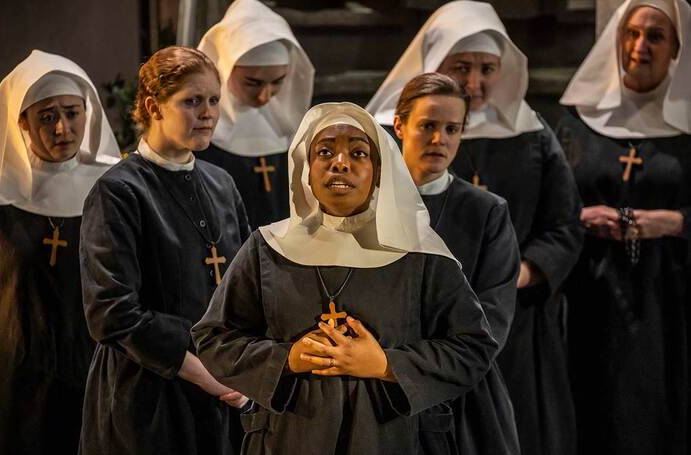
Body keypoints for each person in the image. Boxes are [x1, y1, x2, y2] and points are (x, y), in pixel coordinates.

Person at [192, 102, 498, 454]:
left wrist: (386, 365)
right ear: (306, 168)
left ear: (379, 171)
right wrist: (287, 358)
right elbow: (214, 339)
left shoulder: (420, 253)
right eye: (325, 151)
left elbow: (473, 348)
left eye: (358, 152)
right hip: (289, 437)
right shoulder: (268, 248)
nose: (340, 162)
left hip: (392, 438)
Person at [367, 2, 584, 454]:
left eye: (487, 69)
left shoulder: (533, 134)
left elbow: (563, 224)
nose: (474, 82)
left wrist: (512, 274)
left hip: (510, 317)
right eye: (461, 67)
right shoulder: (382, 142)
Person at [78, 46, 251, 455]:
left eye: (212, 100)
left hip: (222, 392)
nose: (207, 113)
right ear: (153, 106)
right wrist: (207, 375)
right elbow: (111, 313)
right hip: (147, 399)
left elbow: (248, 282)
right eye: (192, 101)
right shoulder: (118, 191)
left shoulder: (221, 183)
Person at [557, 1, 691, 453]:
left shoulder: (689, 126)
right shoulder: (576, 120)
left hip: (669, 294)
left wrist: (669, 222)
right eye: (631, 34)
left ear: (676, 47)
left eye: (655, 36)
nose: (640, 46)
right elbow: (552, 205)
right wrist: (580, 219)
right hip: (587, 290)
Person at [0, 50, 121, 455]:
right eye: (47, 116)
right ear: (22, 122)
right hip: (17, 360)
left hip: (97, 359)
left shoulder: (114, 186)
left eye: (72, 112)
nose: (63, 127)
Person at [395, 72, 521, 454]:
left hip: (465, 396)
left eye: (452, 128)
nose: (439, 140)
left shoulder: (487, 212)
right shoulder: (367, 205)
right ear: (399, 125)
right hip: (382, 390)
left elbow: (491, 321)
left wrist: (417, 367)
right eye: (428, 126)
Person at [197, 0, 315, 229]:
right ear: (224, 70)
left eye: (277, 82)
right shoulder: (200, 133)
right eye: (253, 83)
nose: (264, 96)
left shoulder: (292, 129)